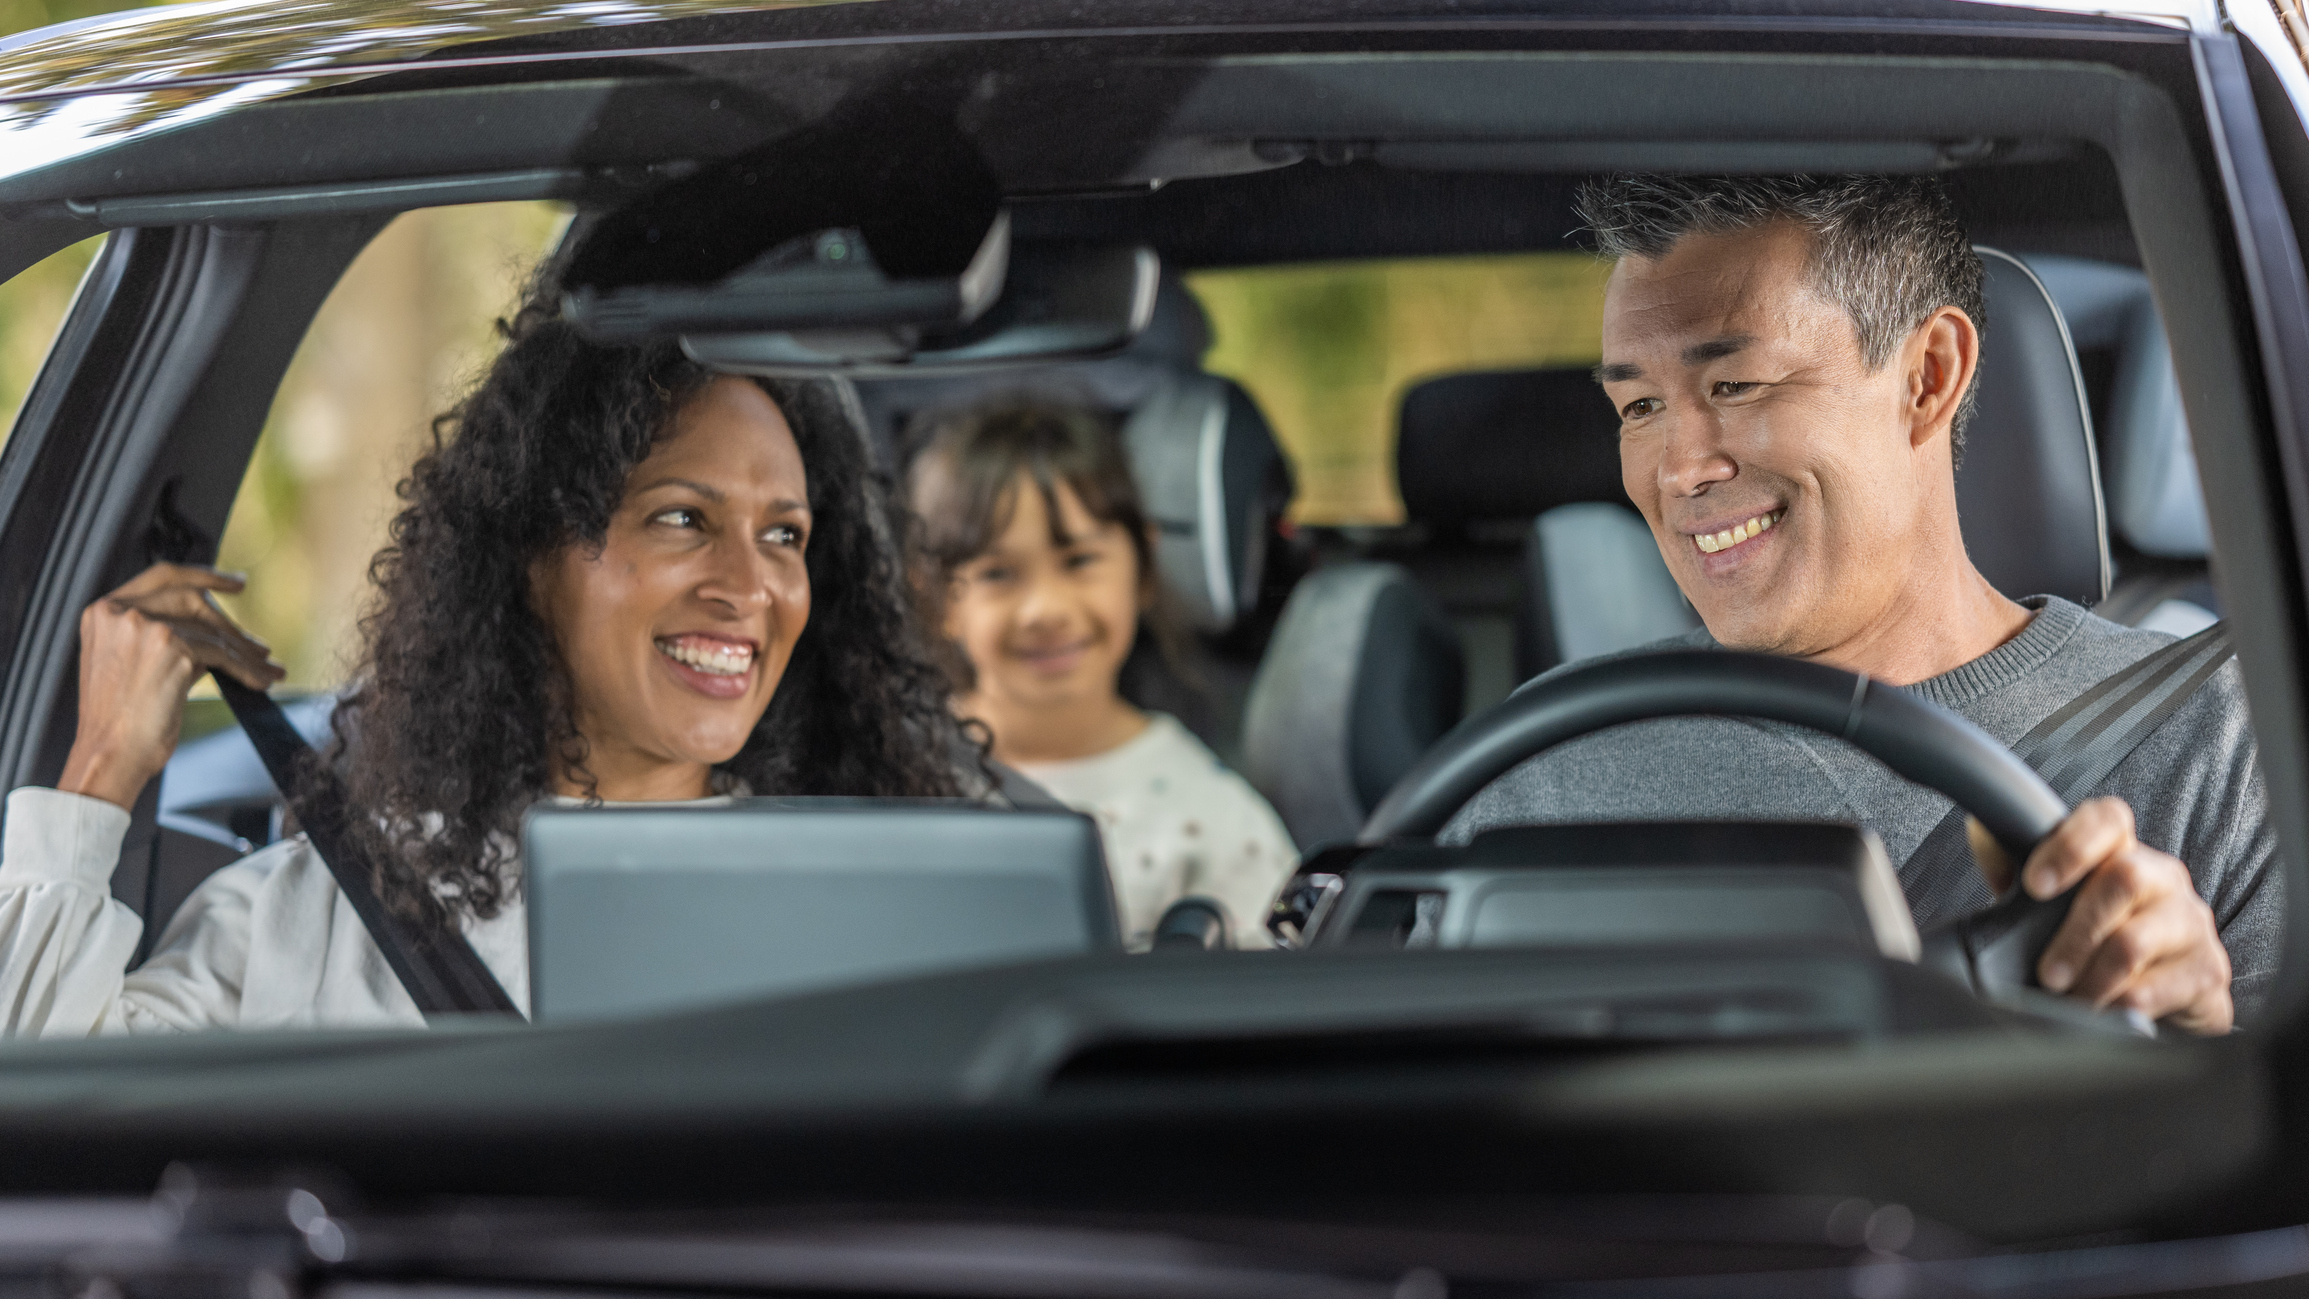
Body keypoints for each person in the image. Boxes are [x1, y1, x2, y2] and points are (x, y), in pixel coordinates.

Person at [0, 282, 974, 1034]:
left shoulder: (874, 905)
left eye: (785, 537)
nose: (750, 587)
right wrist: (98, 774)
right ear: (528, 559)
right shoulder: (315, 914)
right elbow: (43, 1154)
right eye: (683, 519)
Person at [1448, 174, 2278, 1033]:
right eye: (1640, 405)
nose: (1677, 468)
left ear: (1926, 376)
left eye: (1735, 387)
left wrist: (2200, 1038)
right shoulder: (1538, 763)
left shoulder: (2226, 744)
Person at [905, 399, 1296, 951]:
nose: (1045, 609)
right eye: (998, 573)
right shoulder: (881, 776)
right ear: (939, 597)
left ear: (1143, 568)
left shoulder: (1212, 824)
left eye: (1080, 562)